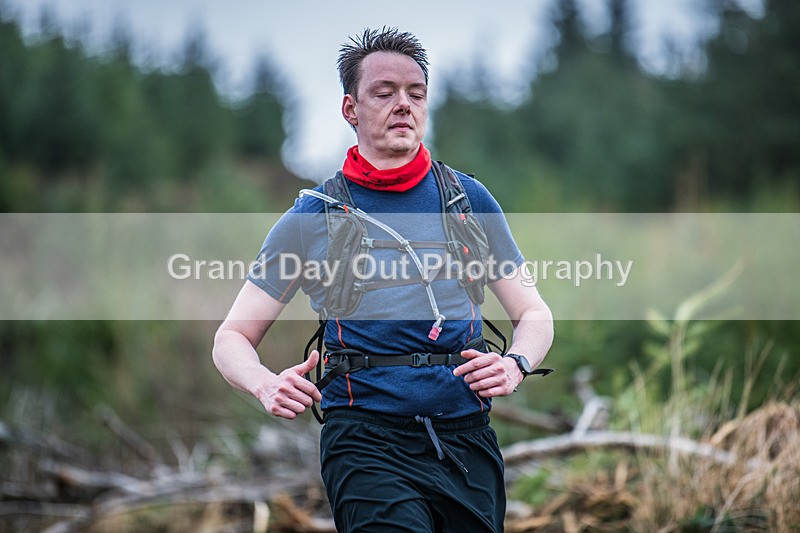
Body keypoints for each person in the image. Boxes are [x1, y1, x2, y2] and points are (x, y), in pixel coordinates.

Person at [212, 27, 553, 532]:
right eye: (384, 92)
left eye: (415, 94)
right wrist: (264, 385)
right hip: (364, 440)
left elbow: (533, 313)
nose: (403, 105)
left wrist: (516, 364)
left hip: (465, 437)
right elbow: (231, 338)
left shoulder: (468, 200)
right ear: (351, 109)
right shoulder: (312, 216)